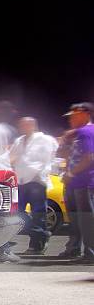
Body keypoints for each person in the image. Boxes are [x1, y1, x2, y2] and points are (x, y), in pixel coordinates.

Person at [9, 118, 59, 255]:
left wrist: (39, 174)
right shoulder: (19, 140)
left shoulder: (45, 140)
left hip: (36, 181)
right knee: (16, 213)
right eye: (20, 124)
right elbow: (11, 157)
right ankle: (42, 234)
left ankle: (37, 246)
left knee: (38, 214)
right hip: (21, 181)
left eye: (24, 124)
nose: (21, 127)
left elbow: (48, 159)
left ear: (32, 125)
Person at [58, 103, 94, 262]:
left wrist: (71, 173)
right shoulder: (78, 134)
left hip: (84, 182)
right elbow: (69, 155)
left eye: (75, 115)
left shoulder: (86, 132)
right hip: (73, 182)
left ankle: (90, 252)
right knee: (75, 218)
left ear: (86, 114)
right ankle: (73, 248)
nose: (71, 119)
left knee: (86, 218)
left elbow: (89, 158)